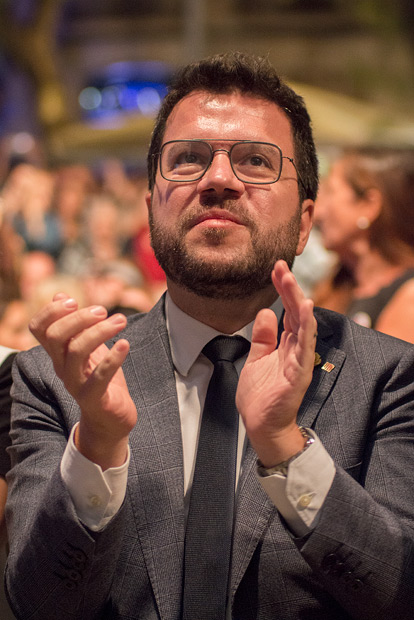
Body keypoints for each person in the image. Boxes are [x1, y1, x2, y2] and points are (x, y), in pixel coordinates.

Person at [5, 52, 414, 620]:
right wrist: (98, 443)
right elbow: (36, 604)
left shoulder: (388, 378)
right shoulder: (56, 377)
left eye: (254, 161)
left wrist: (286, 450)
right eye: (188, 159)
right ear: (150, 210)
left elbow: (401, 593)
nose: (218, 179)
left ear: (303, 223)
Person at [313, 147, 414, 341]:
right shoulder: (337, 286)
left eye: (331, 192)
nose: (317, 212)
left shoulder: (408, 297)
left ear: (368, 205)